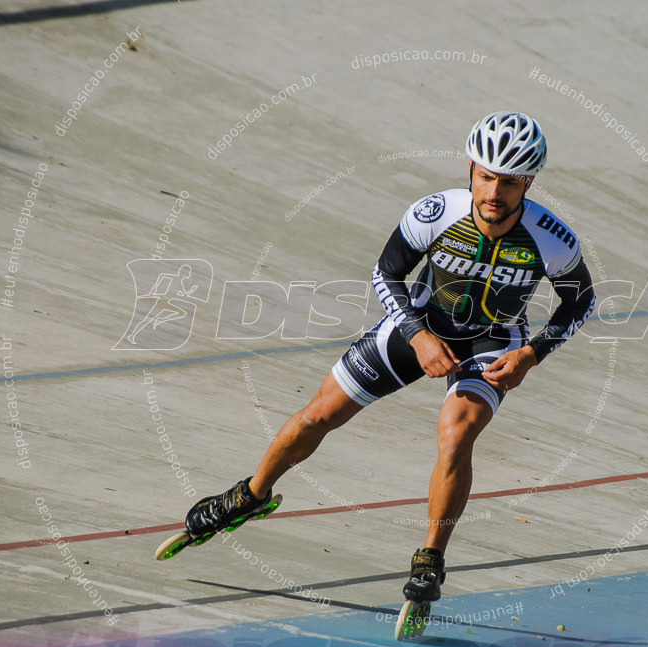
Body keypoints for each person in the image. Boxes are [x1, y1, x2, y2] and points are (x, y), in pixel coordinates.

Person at [182, 111, 596, 603]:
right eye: (485, 176)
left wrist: (530, 354)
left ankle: (430, 561)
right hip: (417, 326)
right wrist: (419, 337)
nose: (493, 192)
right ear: (470, 168)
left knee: (457, 433)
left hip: (493, 342)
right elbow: (385, 273)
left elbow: (581, 301)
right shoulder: (436, 213)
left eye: (508, 182)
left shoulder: (551, 238)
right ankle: (250, 495)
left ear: (527, 181)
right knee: (318, 414)